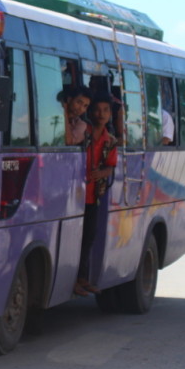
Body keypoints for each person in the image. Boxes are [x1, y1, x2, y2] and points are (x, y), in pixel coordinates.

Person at [76, 95, 117, 296]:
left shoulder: (110, 140)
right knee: (75, 239)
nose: (101, 114)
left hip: (93, 196)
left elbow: (110, 167)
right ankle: (74, 279)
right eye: (97, 110)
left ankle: (81, 279)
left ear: (110, 115)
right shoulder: (84, 131)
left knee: (88, 238)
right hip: (74, 194)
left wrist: (100, 173)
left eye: (106, 110)